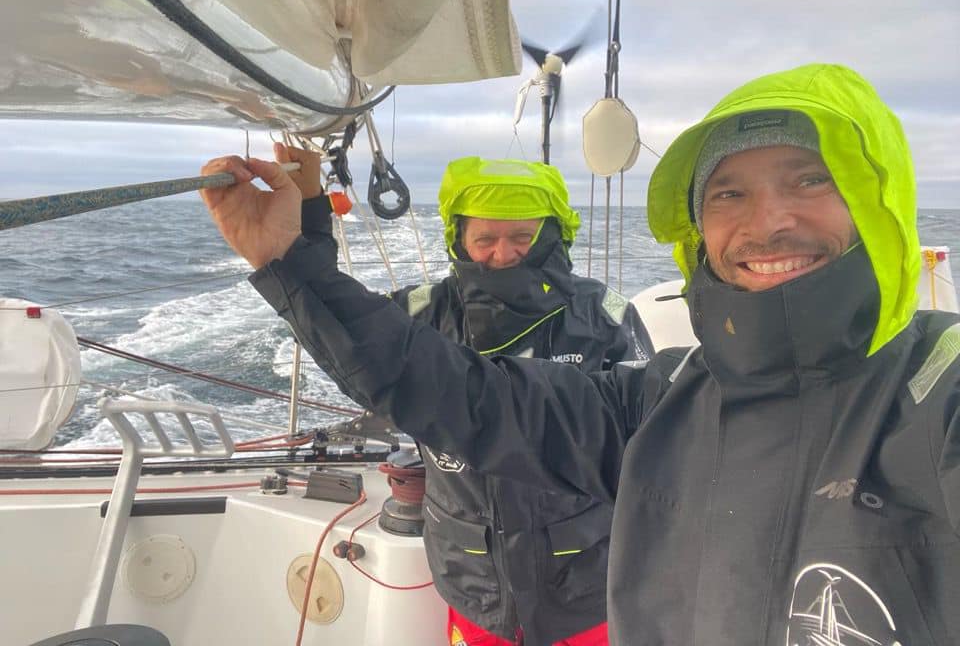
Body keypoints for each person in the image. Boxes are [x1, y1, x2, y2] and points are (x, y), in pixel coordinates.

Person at [201, 63, 960, 645]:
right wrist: (293, 262)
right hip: (478, 591)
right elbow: (446, 390)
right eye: (728, 195)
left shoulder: (937, 394)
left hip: (577, 601)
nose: (767, 221)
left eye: (812, 179)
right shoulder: (661, 409)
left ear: (878, 199)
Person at [274, 146, 651, 646]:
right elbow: (347, 340)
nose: (502, 253)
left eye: (522, 236)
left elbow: (650, 448)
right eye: (485, 238)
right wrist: (309, 215)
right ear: (458, 239)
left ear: (554, 234)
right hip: (476, 590)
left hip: (586, 591)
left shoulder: (606, 317)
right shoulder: (421, 313)